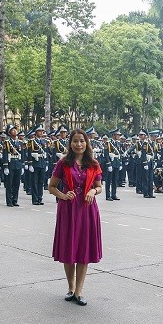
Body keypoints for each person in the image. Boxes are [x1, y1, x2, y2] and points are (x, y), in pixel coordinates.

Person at [47, 129, 103, 307]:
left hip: (87, 209)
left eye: (82, 141)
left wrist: (93, 191)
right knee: (69, 249)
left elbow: (99, 186)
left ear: (87, 143)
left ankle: (79, 291)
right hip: (69, 210)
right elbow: (52, 187)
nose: (79, 144)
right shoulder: (63, 163)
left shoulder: (93, 163)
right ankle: (70, 288)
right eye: (75, 141)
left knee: (84, 250)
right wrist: (63, 196)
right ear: (70, 143)